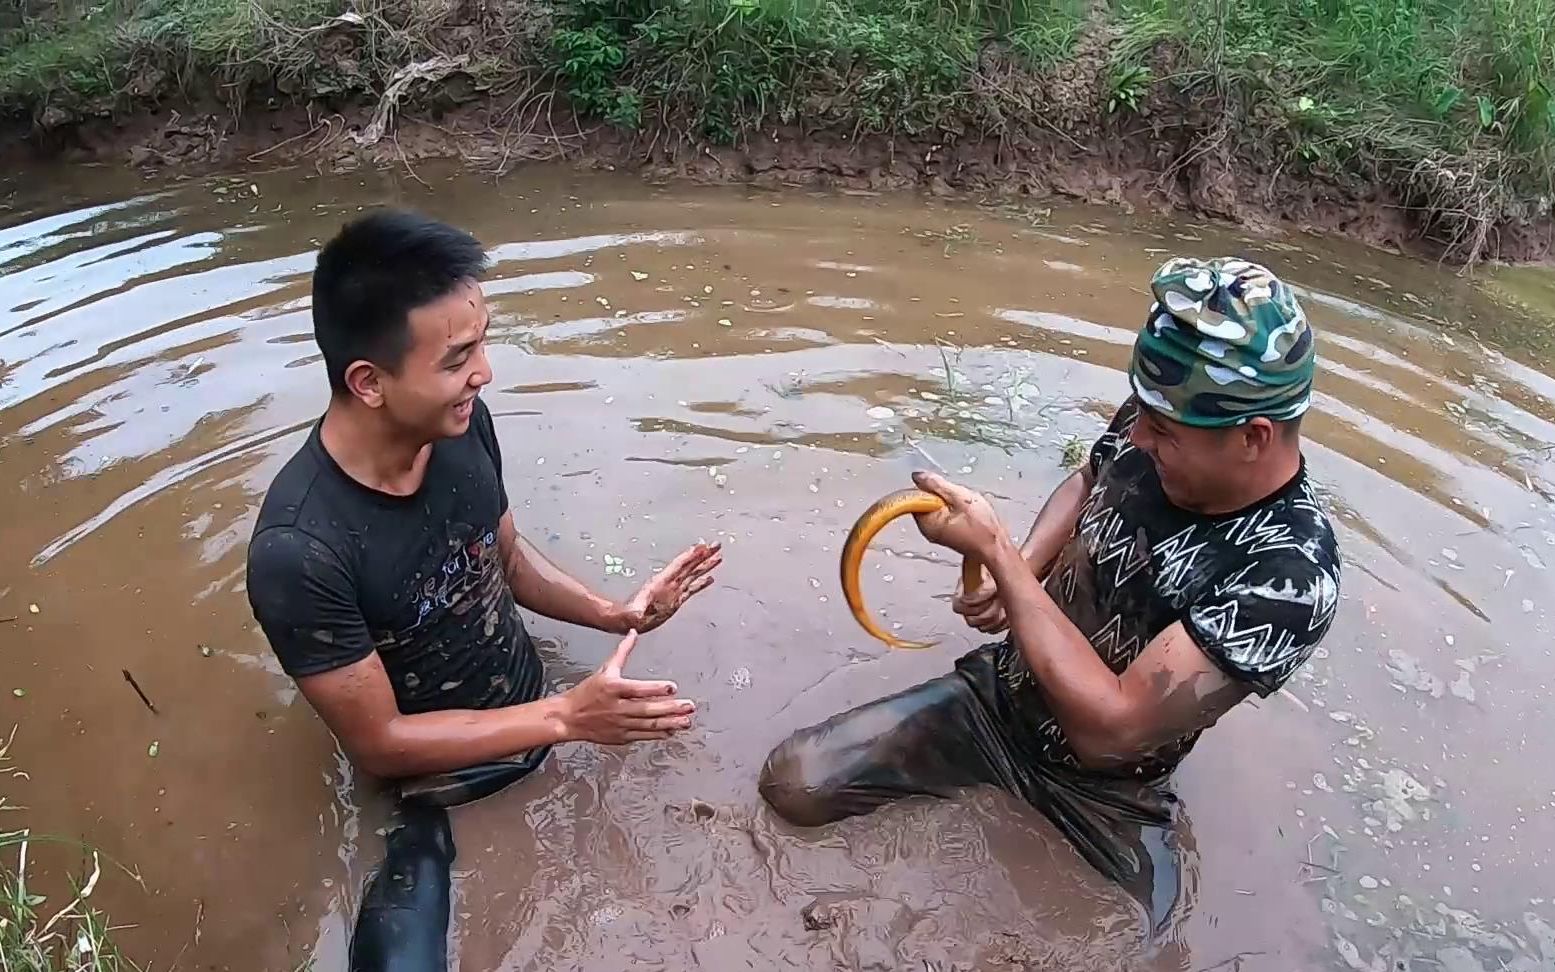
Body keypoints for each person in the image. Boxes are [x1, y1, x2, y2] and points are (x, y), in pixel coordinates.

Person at [758, 256, 1342, 928]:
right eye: (1142, 415)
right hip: (995, 700)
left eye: (1164, 433)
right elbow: (1088, 479)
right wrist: (1029, 568)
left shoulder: (1290, 576)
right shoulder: (1160, 416)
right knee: (793, 783)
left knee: (1149, 942)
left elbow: (1110, 730)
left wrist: (999, 557)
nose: (1138, 435)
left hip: (1107, 787)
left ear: (1252, 437)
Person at [244, 209, 721, 971]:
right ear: (368, 381)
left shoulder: (461, 427)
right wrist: (566, 717)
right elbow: (380, 741)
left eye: (482, 342)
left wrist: (614, 613)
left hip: (548, 711)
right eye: (457, 356)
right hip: (435, 790)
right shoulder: (299, 552)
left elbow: (501, 558)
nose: (485, 372)